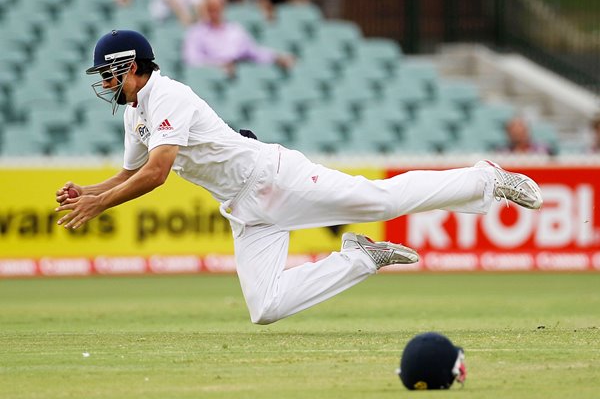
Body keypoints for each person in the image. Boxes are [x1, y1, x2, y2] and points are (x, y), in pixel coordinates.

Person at [55, 30, 543, 325]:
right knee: (264, 308)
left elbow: (158, 174)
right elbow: (130, 170)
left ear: (132, 67)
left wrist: (102, 205)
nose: (103, 83)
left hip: (272, 177)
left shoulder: (169, 96)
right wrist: (89, 191)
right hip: (245, 209)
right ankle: (360, 258)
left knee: (380, 201)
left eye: (108, 73)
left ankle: (484, 179)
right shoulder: (135, 111)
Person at [182, 0, 294, 76]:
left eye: (217, 8)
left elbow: (253, 51)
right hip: (214, 76)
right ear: (205, 10)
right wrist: (218, 65)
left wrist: (276, 57)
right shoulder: (196, 33)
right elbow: (192, 60)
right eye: (211, 9)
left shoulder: (235, 30)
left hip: (238, 71)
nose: (214, 13)